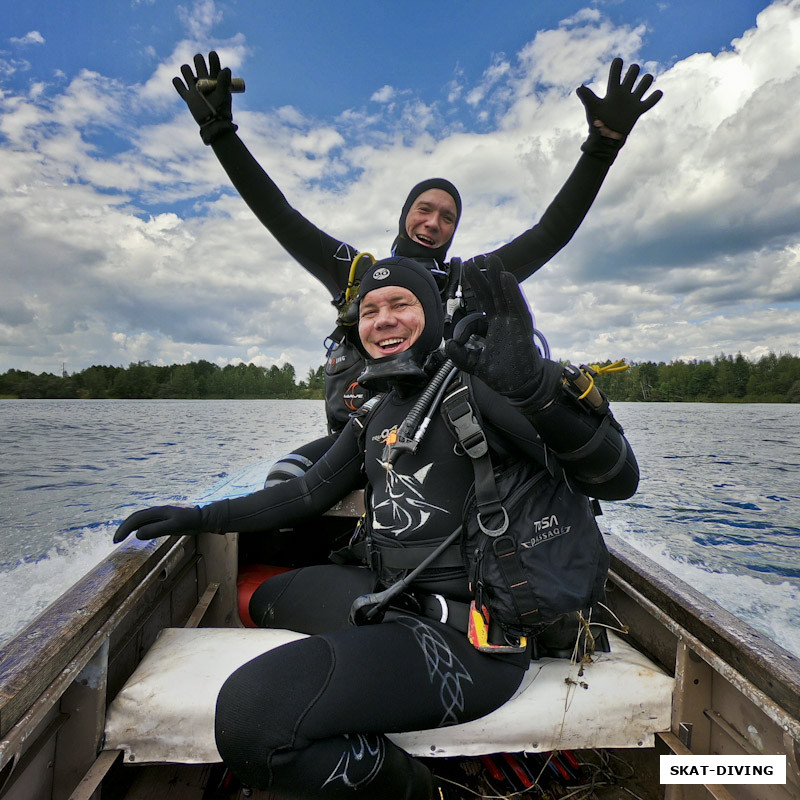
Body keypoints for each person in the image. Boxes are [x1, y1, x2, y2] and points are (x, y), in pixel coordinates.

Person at [114, 255, 639, 799]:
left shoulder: (483, 388)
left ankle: (427, 793)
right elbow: (306, 492)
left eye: (400, 305)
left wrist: (536, 391)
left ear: (434, 317)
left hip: (471, 642)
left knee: (254, 719)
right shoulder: (378, 410)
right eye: (370, 310)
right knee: (270, 594)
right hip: (392, 600)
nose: (383, 319)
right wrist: (199, 517)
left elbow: (618, 478)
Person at [173, 52, 662, 441]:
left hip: (445, 449)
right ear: (405, 214)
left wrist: (603, 145)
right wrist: (220, 134)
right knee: (288, 479)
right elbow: (280, 215)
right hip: (352, 447)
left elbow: (548, 234)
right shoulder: (355, 273)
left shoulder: (468, 280)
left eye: (448, 217)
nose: (433, 223)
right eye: (424, 209)